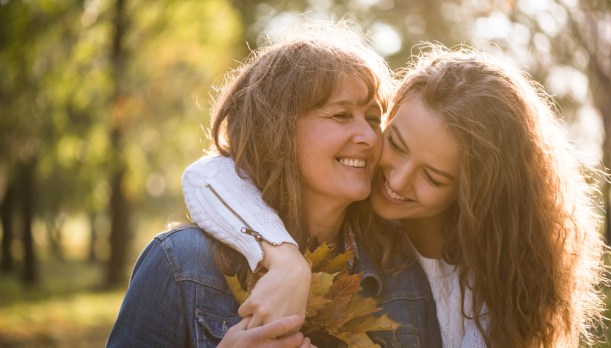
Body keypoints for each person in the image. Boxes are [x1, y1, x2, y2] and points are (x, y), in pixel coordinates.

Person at [184, 44, 609, 347]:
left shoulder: (493, 283)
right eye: (397, 144)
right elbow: (209, 175)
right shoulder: (353, 206)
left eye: (433, 177)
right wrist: (286, 261)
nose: (397, 180)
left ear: (475, 196)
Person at [107, 22, 442, 348]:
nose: (369, 137)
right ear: (276, 131)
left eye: (372, 118)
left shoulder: (400, 275)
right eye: (341, 115)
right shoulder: (180, 263)